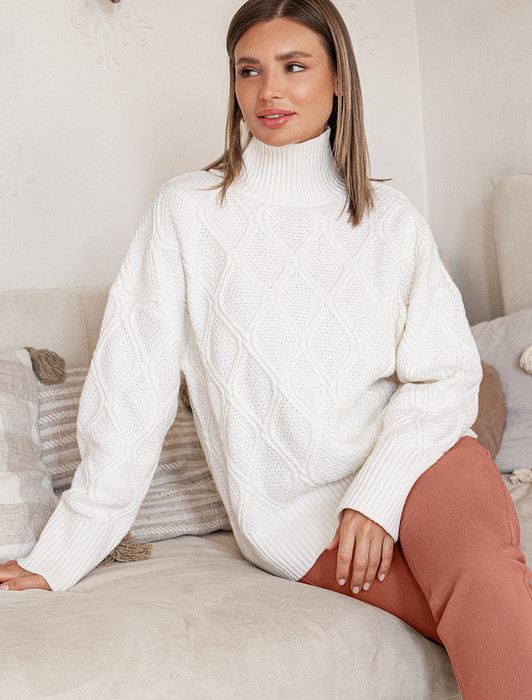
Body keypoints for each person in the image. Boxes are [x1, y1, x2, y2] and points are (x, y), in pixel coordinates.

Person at [2, 0, 532, 697]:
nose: (268, 90)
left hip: (423, 462)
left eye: (294, 66)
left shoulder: (392, 220)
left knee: (489, 587)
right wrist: (64, 551)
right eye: (248, 70)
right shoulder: (187, 211)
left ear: (338, 79)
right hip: (296, 517)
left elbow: (447, 377)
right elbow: (132, 390)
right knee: (493, 626)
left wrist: (375, 497)